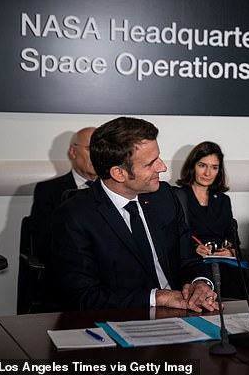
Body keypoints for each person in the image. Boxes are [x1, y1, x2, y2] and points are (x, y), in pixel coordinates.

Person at [52, 117, 218, 311]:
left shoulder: (164, 196)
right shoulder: (74, 217)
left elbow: (188, 258)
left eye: (159, 157)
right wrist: (159, 297)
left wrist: (201, 282)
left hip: (182, 311)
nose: (162, 167)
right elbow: (84, 297)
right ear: (119, 173)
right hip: (122, 318)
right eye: (151, 164)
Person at [175, 141, 245, 298]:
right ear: (192, 166)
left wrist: (231, 251)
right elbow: (172, 239)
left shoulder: (222, 200)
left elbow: (232, 237)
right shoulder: (177, 196)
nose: (208, 173)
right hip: (194, 264)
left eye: (214, 167)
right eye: (202, 165)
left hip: (223, 265)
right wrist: (193, 250)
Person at [30, 127, 98, 264]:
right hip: (70, 266)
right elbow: (45, 242)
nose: (97, 155)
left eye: (102, 149)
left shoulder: (116, 189)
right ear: (73, 152)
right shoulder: (48, 191)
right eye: (91, 148)